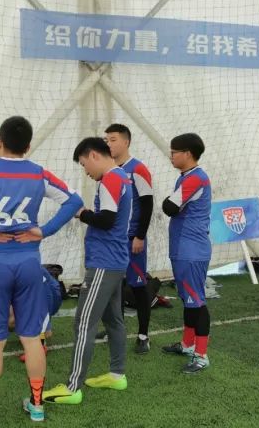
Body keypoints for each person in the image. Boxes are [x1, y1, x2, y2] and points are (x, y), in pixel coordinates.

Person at [0, 116, 83, 427]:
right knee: (32, 338)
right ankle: (37, 407)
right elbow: (75, 200)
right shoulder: (39, 173)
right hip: (29, 261)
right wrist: (43, 230)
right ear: (28, 146)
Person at [43, 137, 131, 405]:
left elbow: (106, 220)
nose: (86, 171)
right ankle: (117, 375)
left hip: (104, 263)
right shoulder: (121, 177)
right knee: (114, 320)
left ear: (94, 155)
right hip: (114, 261)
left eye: (84, 165)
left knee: (83, 323)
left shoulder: (111, 178)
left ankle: (73, 387)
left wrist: (81, 213)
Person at [160, 133, 212, 374]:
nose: (170, 156)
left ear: (188, 154)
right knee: (188, 299)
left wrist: (169, 202)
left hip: (191, 251)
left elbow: (169, 207)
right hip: (183, 249)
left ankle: (201, 356)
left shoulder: (196, 178)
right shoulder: (187, 177)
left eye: (174, 152)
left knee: (196, 301)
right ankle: (188, 345)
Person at [104, 123, 155, 354]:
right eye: (106, 140)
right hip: (114, 240)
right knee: (114, 285)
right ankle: (116, 329)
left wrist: (139, 236)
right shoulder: (109, 170)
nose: (109, 144)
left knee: (138, 286)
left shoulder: (138, 169)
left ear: (126, 142)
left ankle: (143, 335)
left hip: (132, 239)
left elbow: (147, 204)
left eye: (113, 139)